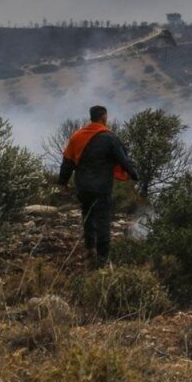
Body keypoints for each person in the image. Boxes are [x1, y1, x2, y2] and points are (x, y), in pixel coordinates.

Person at [58, 105, 139, 267]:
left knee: (87, 216)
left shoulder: (77, 136)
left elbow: (67, 162)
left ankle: (89, 249)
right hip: (102, 187)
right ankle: (102, 258)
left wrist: (63, 183)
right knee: (103, 220)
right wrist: (134, 175)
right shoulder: (110, 138)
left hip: (83, 186)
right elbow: (123, 160)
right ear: (103, 118)